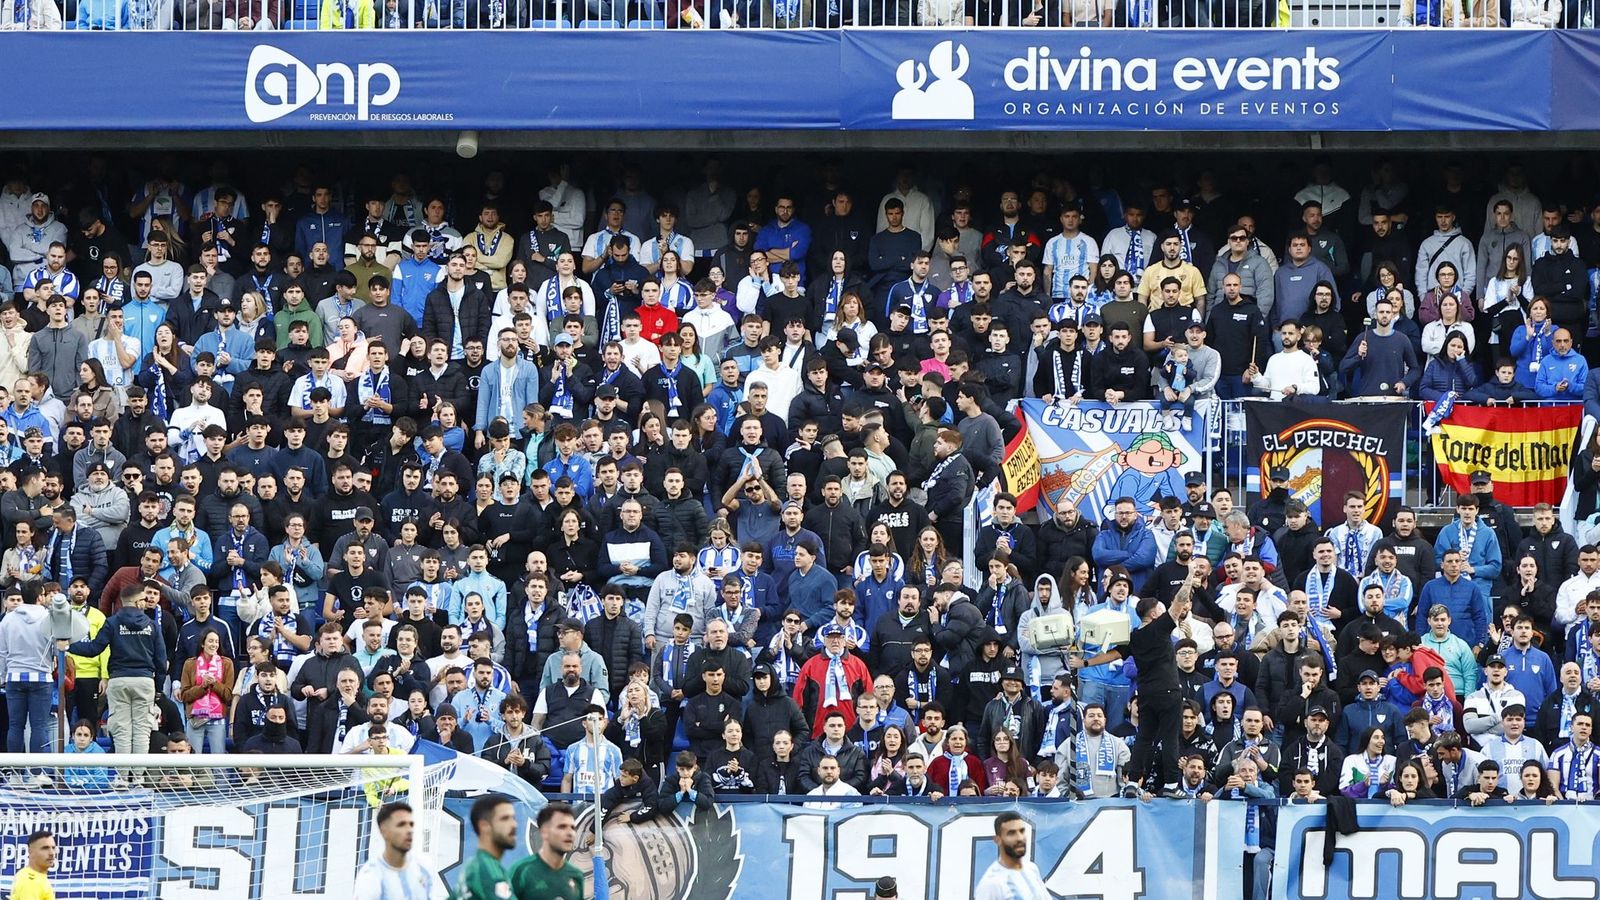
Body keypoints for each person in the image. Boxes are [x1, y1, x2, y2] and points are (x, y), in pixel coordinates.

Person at [1070, 591, 1191, 798]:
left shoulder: (1133, 637)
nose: (1164, 613)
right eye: (1161, 610)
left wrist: (1084, 663)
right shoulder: (1160, 627)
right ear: (1154, 614)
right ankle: (1172, 784)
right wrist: (1189, 576)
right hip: (1168, 692)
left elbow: (1112, 655)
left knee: (1144, 738)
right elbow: (1180, 601)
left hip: (1144, 693)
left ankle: (1133, 782)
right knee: (1170, 738)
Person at [353, 802, 447, 900]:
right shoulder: (370, 877)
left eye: (411, 824)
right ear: (384, 831)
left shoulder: (424, 866)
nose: (409, 830)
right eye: (401, 825)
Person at [508, 801, 584, 900]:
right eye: (562, 827)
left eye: (573, 828)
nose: (570, 833)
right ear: (544, 832)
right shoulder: (522, 870)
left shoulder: (576, 875)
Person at [974, 811, 1049, 900]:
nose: (1020, 838)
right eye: (1011, 833)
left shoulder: (1032, 869)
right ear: (998, 840)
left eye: (1022, 831)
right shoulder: (991, 884)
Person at [454, 794, 516, 900]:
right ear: (484, 826)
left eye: (513, 818)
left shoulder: (475, 865)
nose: (514, 824)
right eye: (505, 818)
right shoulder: (486, 869)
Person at [6, 830, 55, 900]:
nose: (52, 853)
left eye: (53, 848)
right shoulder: (31, 881)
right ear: (30, 851)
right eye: (45, 848)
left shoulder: (31, 875)